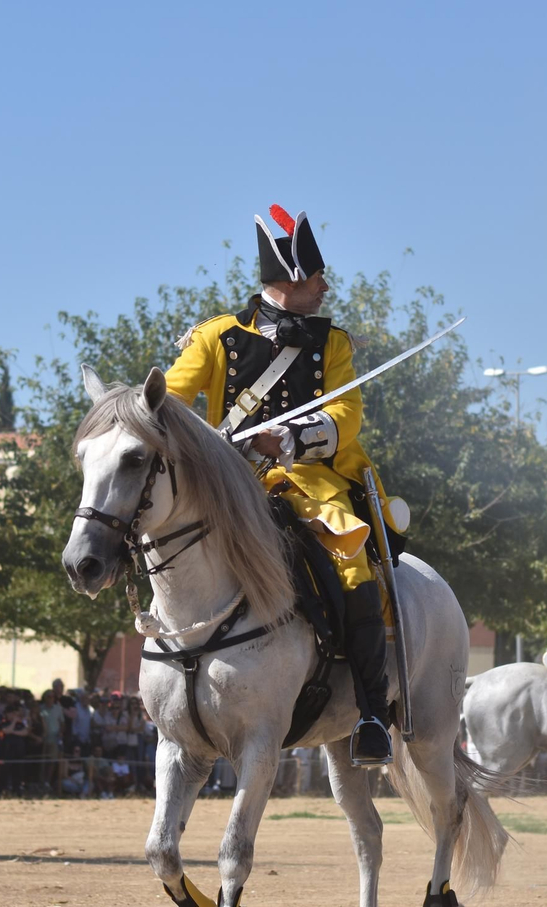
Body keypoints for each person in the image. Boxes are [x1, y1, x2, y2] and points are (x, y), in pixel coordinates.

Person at [164, 205, 406, 766]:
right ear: (292, 281)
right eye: (317, 277)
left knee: (351, 561)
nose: (325, 286)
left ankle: (370, 711)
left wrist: (291, 440)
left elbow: (347, 416)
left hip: (309, 478)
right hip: (233, 483)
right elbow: (169, 405)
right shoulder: (215, 337)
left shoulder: (335, 344)